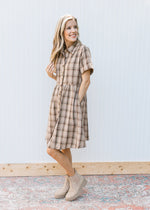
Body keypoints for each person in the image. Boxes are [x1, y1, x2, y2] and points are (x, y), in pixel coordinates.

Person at [45, 14, 94, 201]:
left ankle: (75, 178)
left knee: (51, 148)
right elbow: (63, 81)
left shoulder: (83, 50)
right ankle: (70, 180)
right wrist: (52, 76)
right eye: (69, 28)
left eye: (75, 27)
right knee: (62, 146)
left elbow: (86, 81)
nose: (73, 30)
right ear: (62, 32)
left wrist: (76, 103)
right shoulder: (60, 52)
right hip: (58, 101)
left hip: (72, 103)